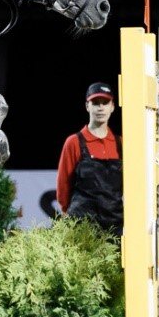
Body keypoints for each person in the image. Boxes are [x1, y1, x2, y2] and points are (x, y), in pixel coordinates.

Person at [56, 82, 122, 233]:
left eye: (105, 103)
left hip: (115, 227)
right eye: (95, 103)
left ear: (112, 107)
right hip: (82, 226)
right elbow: (63, 186)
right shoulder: (74, 142)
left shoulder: (121, 144)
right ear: (87, 106)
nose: (100, 107)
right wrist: (71, 218)